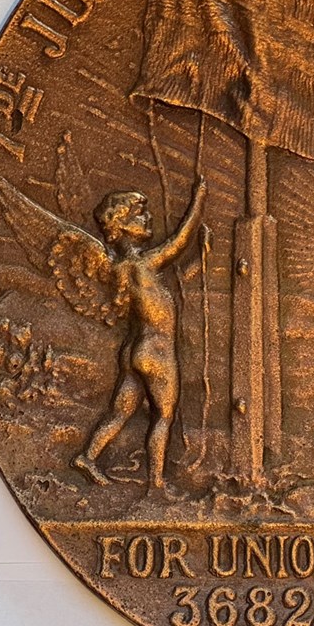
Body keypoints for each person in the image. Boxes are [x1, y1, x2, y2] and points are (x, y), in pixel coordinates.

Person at [70, 180, 207, 490]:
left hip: (134, 349)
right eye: (140, 215)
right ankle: (156, 482)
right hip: (156, 351)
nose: (148, 218)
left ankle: (87, 456)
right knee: (164, 416)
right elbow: (178, 241)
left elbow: (169, 286)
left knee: (120, 412)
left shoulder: (121, 269)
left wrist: (199, 255)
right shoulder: (142, 264)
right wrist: (198, 200)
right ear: (123, 225)